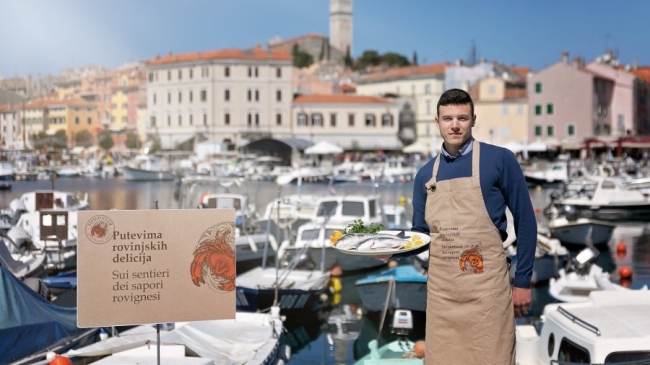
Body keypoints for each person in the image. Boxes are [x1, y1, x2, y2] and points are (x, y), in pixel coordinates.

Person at [389, 88, 537, 364]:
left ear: (473, 120)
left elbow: (526, 221)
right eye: (447, 119)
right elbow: (420, 234)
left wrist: (522, 281)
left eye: (462, 118)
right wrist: (389, 251)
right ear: (437, 122)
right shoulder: (425, 175)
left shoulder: (500, 160)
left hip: (488, 295)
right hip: (443, 298)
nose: (455, 125)